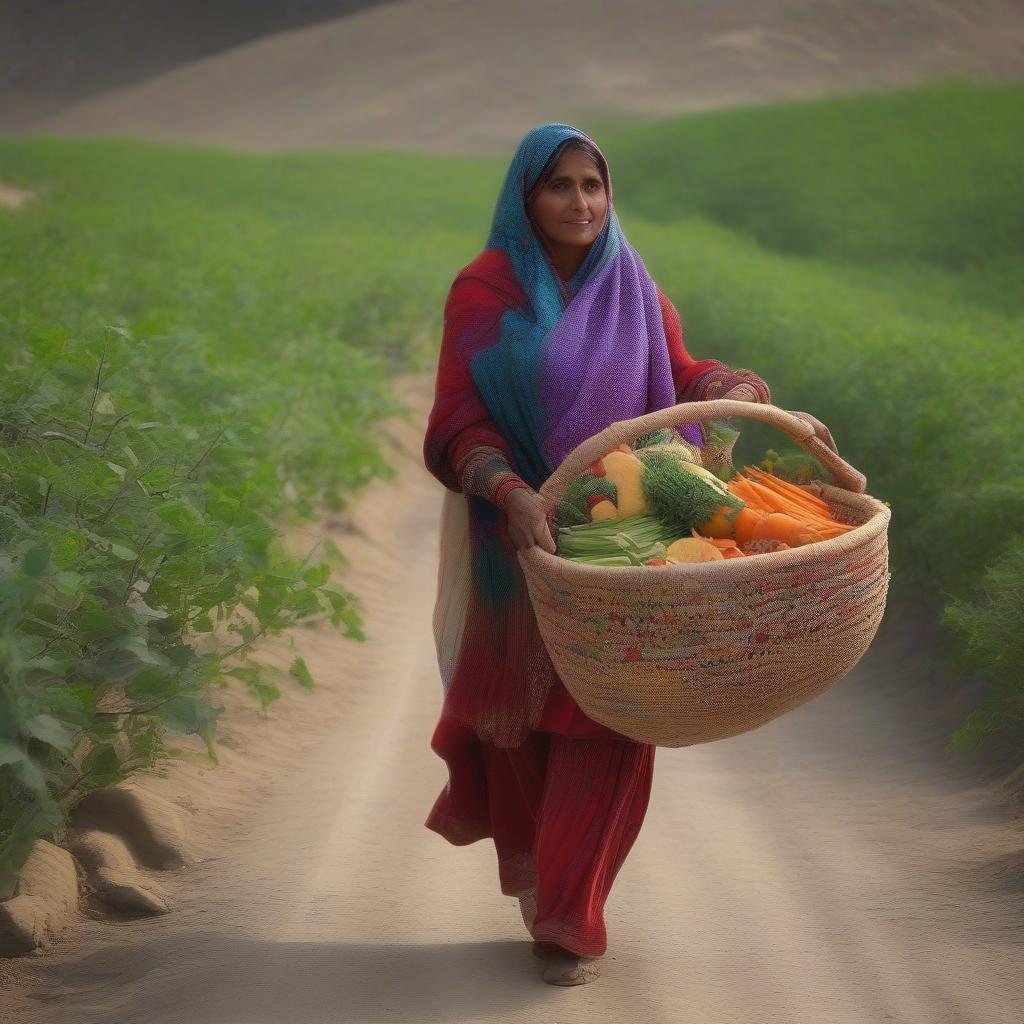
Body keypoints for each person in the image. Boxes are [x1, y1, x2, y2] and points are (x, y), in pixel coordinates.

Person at [421, 123, 837, 986]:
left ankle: (573, 916)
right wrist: (510, 491)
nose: (581, 204)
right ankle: (546, 879)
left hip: (631, 536)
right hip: (523, 537)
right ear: (524, 198)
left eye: (593, 186)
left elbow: (685, 373)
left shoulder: (631, 282)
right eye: (560, 187)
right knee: (528, 722)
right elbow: (460, 421)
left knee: (610, 711)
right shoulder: (485, 293)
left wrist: (742, 393)